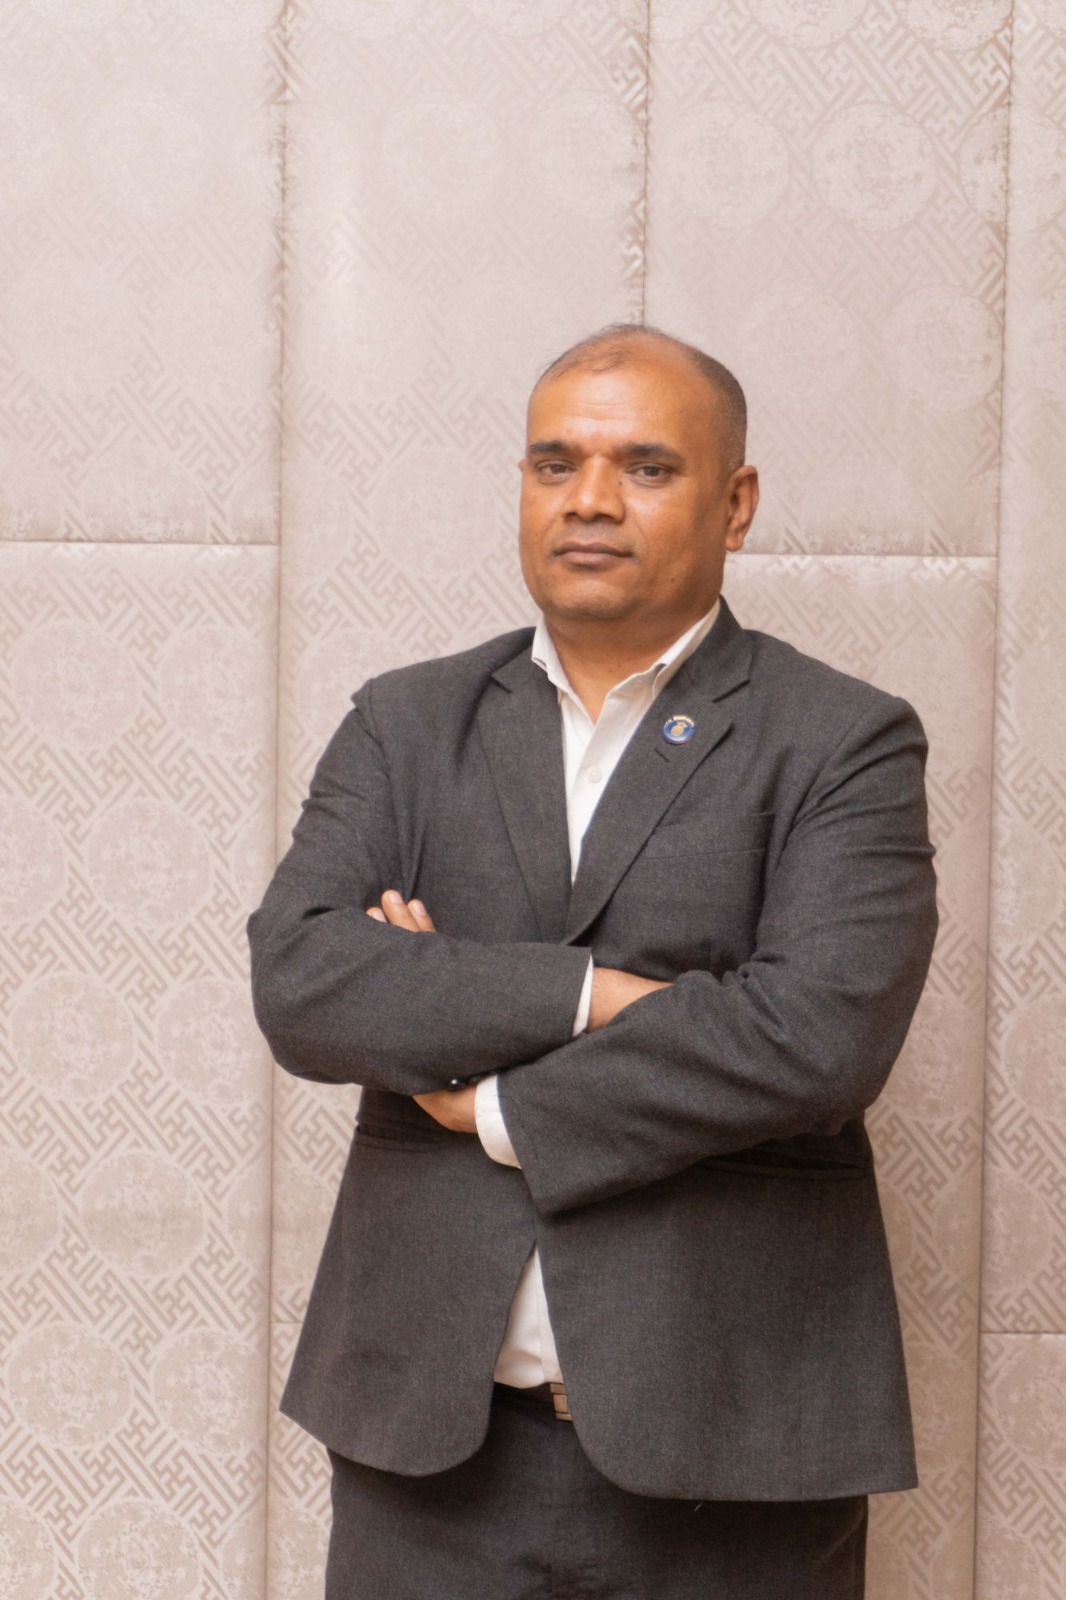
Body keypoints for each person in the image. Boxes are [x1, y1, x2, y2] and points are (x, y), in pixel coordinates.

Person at [248, 324, 938, 1599]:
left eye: (646, 467)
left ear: (735, 503)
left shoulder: (842, 741)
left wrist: (483, 1097)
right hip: (426, 1456)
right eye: (554, 463)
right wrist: (599, 995)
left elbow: (816, 1041)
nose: (590, 500)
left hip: (732, 1453)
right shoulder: (405, 722)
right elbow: (301, 980)